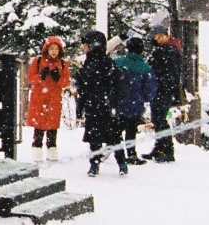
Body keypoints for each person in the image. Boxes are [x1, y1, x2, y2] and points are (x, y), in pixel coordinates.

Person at [74, 29, 120, 177]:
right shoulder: (108, 62)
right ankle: (122, 162)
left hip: (94, 106)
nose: (84, 48)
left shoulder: (91, 64)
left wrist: (80, 107)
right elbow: (118, 84)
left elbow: (85, 88)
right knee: (114, 136)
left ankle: (94, 165)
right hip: (107, 106)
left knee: (95, 138)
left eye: (86, 45)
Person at [113, 36, 156, 173]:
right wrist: (145, 98)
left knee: (116, 130)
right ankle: (131, 154)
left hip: (119, 102)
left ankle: (110, 152)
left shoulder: (118, 62)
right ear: (142, 51)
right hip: (135, 103)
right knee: (131, 131)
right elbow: (150, 89)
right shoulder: (145, 68)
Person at [24, 36, 69, 157]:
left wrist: (58, 78)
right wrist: (40, 77)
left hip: (54, 98)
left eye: (56, 49)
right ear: (46, 49)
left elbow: (66, 82)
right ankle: (37, 148)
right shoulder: (38, 61)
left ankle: (52, 148)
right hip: (39, 97)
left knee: (52, 125)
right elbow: (30, 78)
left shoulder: (63, 64)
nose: (54, 52)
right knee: (39, 125)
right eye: (51, 48)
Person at [147, 29, 184, 163]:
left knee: (159, 119)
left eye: (157, 37)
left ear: (164, 36)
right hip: (164, 89)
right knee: (158, 119)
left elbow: (164, 71)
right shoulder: (170, 50)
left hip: (163, 89)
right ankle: (160, 148)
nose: (156, 40)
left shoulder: (167, 51)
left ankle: (166, 150)